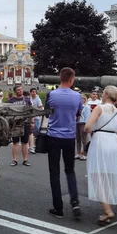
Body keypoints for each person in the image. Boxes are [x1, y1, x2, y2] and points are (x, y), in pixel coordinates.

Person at [84, 85, 117, 225]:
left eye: (103, 93)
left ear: (106, 94)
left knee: (97, 175)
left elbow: (87, 126)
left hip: (100, 141)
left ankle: (108, 210)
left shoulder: (100, 108)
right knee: (108, 174)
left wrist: (93, 130)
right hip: (113, 142)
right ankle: (107, 208)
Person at [46, 67, 83, 219]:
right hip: (69, 136)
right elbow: (78, 114)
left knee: (54, 172)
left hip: (53, 134)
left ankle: (58, 207)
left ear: (60, 78)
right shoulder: (77, 96)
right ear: (71, 79)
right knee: (70, 170)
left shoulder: (51, 94)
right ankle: (75, 201)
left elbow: (48, 111)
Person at [8, 85, 32, 166]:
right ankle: (15, 160)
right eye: (18, 90)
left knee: (25, 142)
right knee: (15, 142)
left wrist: (32, 123)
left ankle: (25, 160)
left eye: (21, 89)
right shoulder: (11, 101)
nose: (20, 91)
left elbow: (31, 112)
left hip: (26, 123)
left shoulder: (27, 100)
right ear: (15, 91)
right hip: (15, 124)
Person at [75, 94, 91, 160]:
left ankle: (85, 153)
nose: (81, 100)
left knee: (84, 139)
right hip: (77, 122)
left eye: (83, 98)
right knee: (78, 138)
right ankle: (78, 153)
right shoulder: (77, 107)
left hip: (83, 123)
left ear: (85, 100)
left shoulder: (86, 107)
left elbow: (88, 116)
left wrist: (86, 125)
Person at [28, 88, 43, 154]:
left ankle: (35, 144)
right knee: (30, 131)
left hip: (36, 117)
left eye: (35, 92)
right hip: (30, 117)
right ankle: (31, 145)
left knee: (36, 131)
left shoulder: (38, 99)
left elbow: (41, 107)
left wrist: (35, 110)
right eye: (33, 92)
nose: (34, 93)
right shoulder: (29, 99)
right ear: (30, 93)